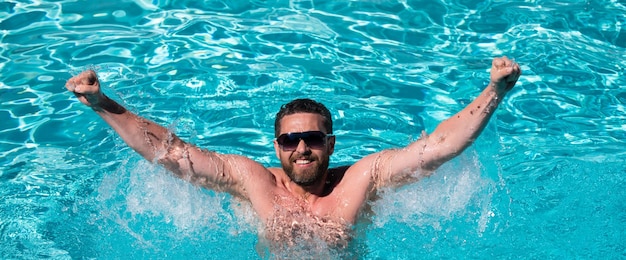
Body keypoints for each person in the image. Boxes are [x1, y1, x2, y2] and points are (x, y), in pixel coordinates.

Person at [65, 57, 521, 249]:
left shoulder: (363, 178)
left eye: (314, 139)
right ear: (277, 147)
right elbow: (173, 154)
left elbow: (436, 149)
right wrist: (104, 104)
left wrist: (495, 90)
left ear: (331, 145)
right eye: (290, 140)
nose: (302, 148)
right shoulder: (252, 181)